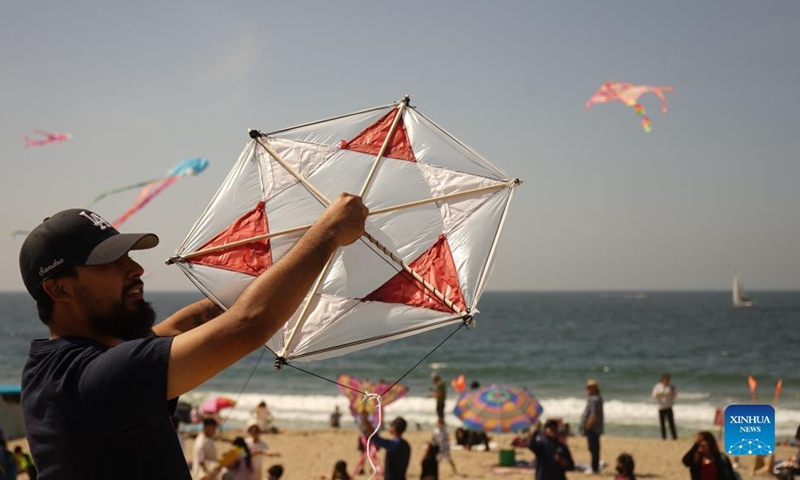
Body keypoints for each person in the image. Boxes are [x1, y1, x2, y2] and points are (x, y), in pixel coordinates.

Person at [18, 196, 367, 479]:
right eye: (108, 262)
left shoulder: (57, 367)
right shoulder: (90, 380)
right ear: (58, 288)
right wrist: (327, 234)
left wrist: (282, 264)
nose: (135, 268)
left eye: (128, 255)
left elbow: (179, 328)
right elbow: (247, 324)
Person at [360, 411, 411, 480]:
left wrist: (365, 421)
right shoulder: (406, 445)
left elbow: (376, 439)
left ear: (394, 428)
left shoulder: (395, 444)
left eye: (391, 426)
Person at [579, 379, 604, 474]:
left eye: (589, 388)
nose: (587, 390)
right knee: (594, 448)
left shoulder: (594, 399)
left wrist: (587, 426)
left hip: (593, 428)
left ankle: (594, 468)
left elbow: (593, 415)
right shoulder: (597, 398)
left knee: (593, 448)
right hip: (595, 428)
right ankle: (595, 466)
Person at [651, 373, 677, 440]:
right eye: (665, 380)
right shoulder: (658, 386)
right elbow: (654, 395)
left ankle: (674, 438)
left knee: (671, 423)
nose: (666, 381)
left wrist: (672, 392)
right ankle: (664, 438)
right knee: (662, 424)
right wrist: (661, 394)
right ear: (662, 380)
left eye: (668, 380)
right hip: (661, 407)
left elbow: (675, 396)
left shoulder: (670, 386)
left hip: (669, 407)